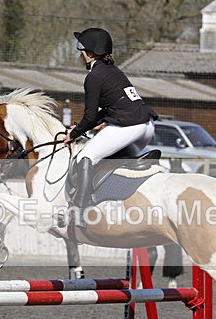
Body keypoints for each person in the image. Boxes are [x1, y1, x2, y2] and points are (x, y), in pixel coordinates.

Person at [63, 27, 158, 227]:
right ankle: (130, 161)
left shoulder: (94, 77)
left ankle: (79, 210)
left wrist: (74, 133)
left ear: (89, 54)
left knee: (85, 157)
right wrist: (89, 125)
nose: (79, 57)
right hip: (146, 127)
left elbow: (90, 116)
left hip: (129, 127)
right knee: (106, 156)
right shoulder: (113, 71)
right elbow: (105, 111)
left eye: (81, 53)